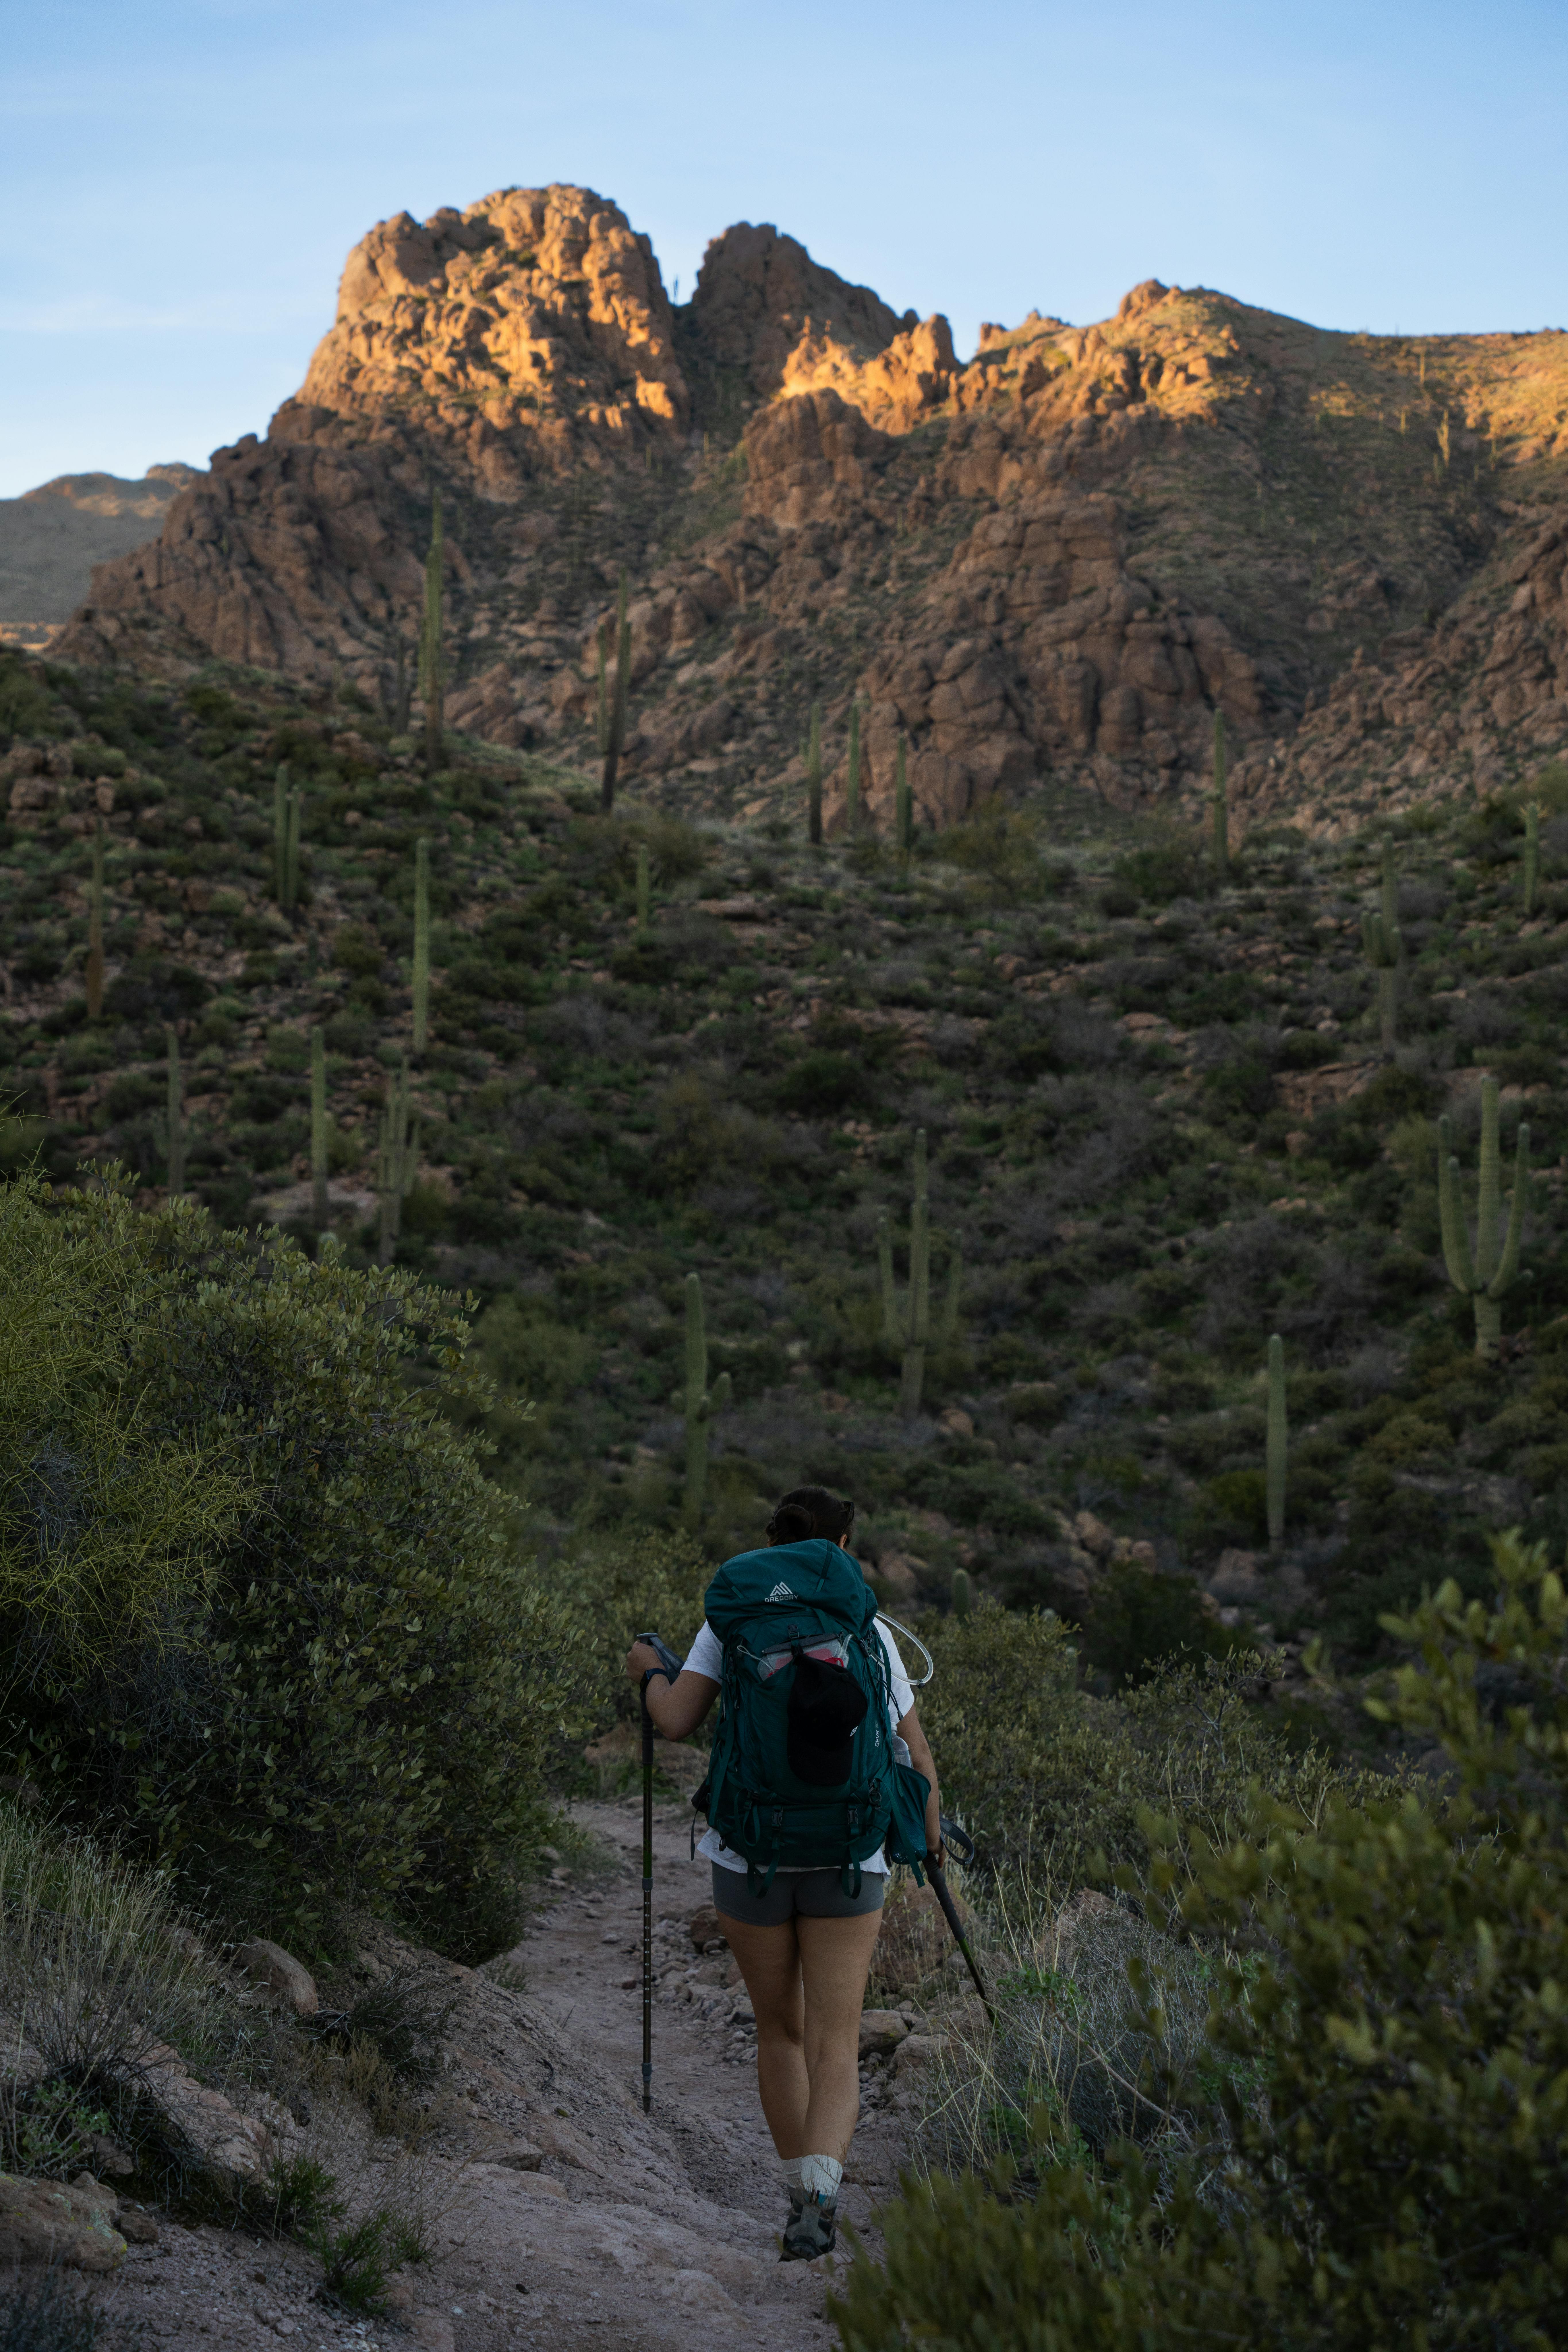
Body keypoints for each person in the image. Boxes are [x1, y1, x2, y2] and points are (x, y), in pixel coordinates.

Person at [625, 1485, 943, 2261]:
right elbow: (917, 1757)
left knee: (780, 2029)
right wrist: (931, 1852)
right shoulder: (866, 1627)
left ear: (773, 1539)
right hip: (850, 1853)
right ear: (846, 1545)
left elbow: (675, 1721)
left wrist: (646, 1672)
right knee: (838, 2041)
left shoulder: (731, 1620)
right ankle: (821, 2202)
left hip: (751, 1855)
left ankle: (798, 2188)